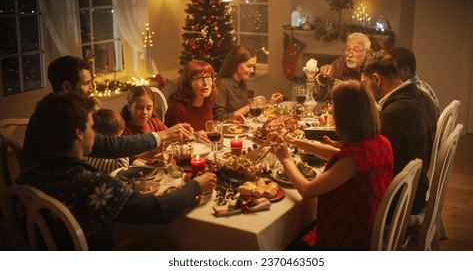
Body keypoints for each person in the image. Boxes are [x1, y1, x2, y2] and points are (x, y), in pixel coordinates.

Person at [16, 93, 217, 250]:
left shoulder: (25, 179)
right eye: (91, 126)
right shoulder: (94, 185)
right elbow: (161, 210)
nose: (95, 133)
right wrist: (196, 185)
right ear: (79, 133)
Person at [270, 79, 394, 250]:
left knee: (283, 242)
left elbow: (307, 190)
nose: (331, 110)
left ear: (345, 116)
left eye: (334, 107)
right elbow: (341, 155)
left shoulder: (350, 162)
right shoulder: (381, 142)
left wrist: (286, 159)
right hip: (365, 228)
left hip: (345, 242)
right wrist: (297, 141)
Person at [23, 55, 194, 167]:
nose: (91, 89)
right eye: (86, 83)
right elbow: (108, 146)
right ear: (67, 87)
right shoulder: (59, 119)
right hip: (53, 201)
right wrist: (163, 135)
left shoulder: (58, 112)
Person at [360, 50, 437, 217]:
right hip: (415, 190)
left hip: (398, 202)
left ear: (377, 79)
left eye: (365, 84)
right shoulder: (424, 98)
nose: (365, 91)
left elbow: (373, 167)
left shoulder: (394, 113)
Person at [213, 45, 283, 121]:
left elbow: (246, 114)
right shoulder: (221, 84)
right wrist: (250, 106)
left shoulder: (241, 82)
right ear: (236, 64)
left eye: (253, 66)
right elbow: (219, 119)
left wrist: (269, 104)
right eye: (249, 66)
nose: (252, 70)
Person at [315, 32, 373, 102]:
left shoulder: (372, 67)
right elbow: (326, 89)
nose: (350, 55)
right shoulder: (341, 61)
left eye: (356, 50)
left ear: (367, 53)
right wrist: (324, 75)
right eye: (348, 49)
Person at [389, 47, 440, 113]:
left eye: (392, 70)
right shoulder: (426, 86)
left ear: (406, 70)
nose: (389, 75)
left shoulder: (412, 97)